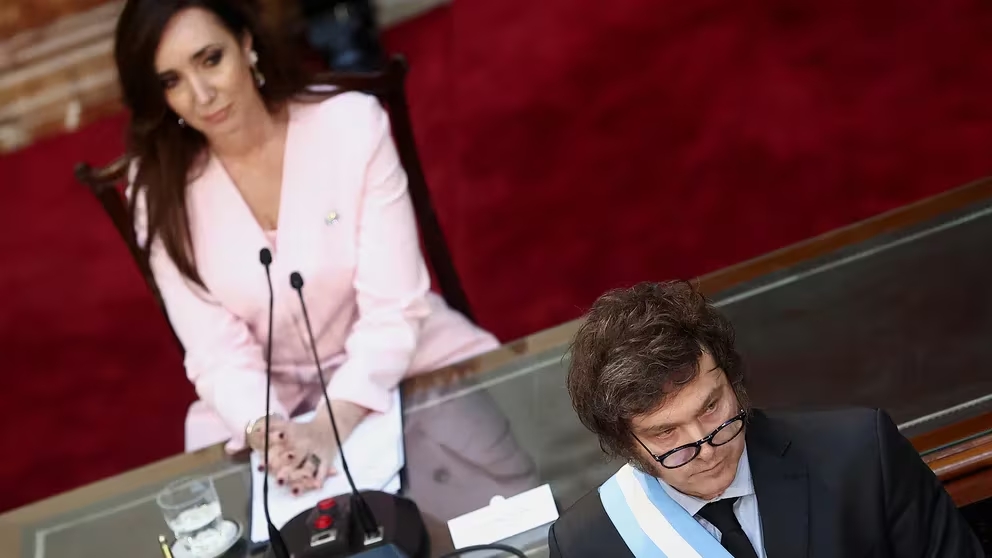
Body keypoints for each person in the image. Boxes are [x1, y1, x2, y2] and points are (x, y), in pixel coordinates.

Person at [114, 0, 498, 496]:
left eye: (211, 59)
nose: (202, 95)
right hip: (257, 406)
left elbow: (394, 307)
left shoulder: (353, 126)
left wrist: (327, 427)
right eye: (171, 81)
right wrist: (271, 434)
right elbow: (216, 353)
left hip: (405, 362)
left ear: (246, 42)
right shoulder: (156, 190)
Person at [549, 281, 983, 557]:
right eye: (666, 433)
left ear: (733, 382)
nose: (707, 446)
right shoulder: (588, 545)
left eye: (711, 407)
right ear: (626, 445)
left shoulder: (861, 456)